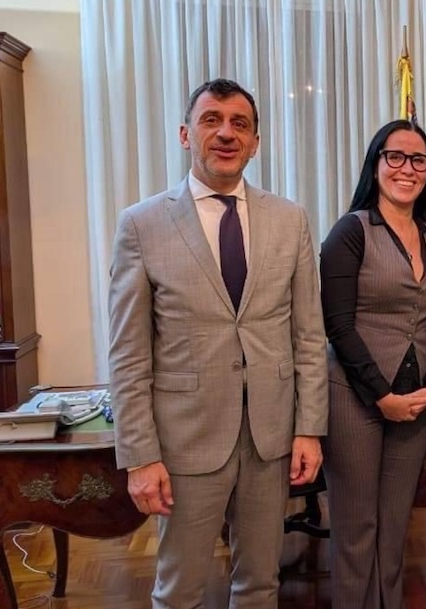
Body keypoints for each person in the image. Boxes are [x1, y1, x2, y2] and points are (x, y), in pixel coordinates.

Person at [108, 78, 328, 608]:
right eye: (212, 121)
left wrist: (310, 429)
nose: (226, 134)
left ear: (255, 142)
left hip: (269, 440)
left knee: (259, 584)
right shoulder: (142, 224)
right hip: (185, 443)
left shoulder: (289, 219)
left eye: (240, 124)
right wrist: (139, 456)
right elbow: (128, 352)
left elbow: (308, 335)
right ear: (187, 134)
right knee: (179, 590)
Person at [318, 119, 426, 609]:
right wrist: (382, 395)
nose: (407, 168)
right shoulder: (350, 232)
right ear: (376, 165)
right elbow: (337, 326)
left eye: (418, 159)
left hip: (415, 402)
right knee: (357, 531)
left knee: (394, 529)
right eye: (394, 156)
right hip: (354, 398)